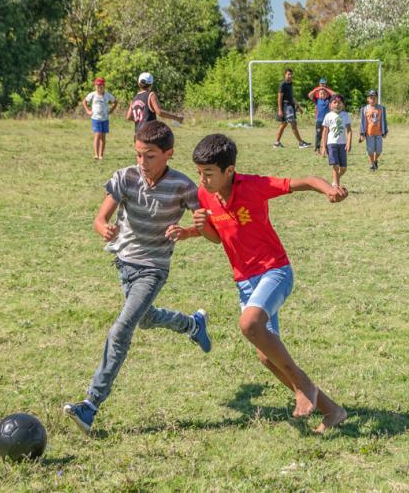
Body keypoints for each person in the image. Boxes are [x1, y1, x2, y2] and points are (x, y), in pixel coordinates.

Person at [173, 133, 348, 433]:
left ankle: (303, 387)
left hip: (275, 271)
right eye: (199, 173)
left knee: (249, 325)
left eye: (209, 174)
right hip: (244, 281)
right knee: (267, 356)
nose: (202, 180)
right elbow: (217, 238)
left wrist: (329, 190)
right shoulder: (205, 196)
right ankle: (332, 410)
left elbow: (302, 181)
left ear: (230, 171)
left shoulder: (252, 186)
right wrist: (196, 230)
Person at [63, 121, 211, 435]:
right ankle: (192, 324)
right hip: (124, 262)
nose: (143, 162)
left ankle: (90, 405)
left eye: (151, 156)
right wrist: (103, 227)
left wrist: (186, 232)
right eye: (139, 154)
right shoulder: (125, 177)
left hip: (154, 267)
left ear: (169, 154)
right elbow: (100, 217)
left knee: (122, 328)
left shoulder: (184, 186)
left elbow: (209, 227)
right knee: (145, 318)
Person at [274, 68, 310, 149]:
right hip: (286, 107)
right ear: (285, 75)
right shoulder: (282, 84)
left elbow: (292, 97)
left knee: (283, 124)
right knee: (293, 124)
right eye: (288, 74)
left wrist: (298, 107)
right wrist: (280, 110)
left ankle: (277, 143)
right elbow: (279, 97)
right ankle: (301, 143)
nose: (290, 76)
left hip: (290, 106)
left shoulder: (290, 84)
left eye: (291, 74)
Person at [320, 95, 352, 188]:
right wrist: (323, 146)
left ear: (343, 104)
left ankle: (335, 179)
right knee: (335, 165)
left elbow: (349, 130)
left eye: (339, 102)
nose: (337, 104)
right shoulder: (328, 116)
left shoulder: (345, 115)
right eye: (335, 102)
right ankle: (336, 186)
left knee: (343, 168)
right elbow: (325, 131)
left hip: (342, 144)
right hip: (332, 144)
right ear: (330, 105)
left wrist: (349, 143)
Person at [82, 77, 117, 160]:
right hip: (95, 118)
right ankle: (96, 155)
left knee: (103, 137)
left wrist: (111, 110)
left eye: (101, 86)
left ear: (104, 86)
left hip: (105, 118)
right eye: (97, 86)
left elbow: (115, 102)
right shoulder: (92, 94)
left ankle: (101, 155)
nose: (99, 88)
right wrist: (88, 110)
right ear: (95, 86)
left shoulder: (107, 95)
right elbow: (84, 101)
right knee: (97, 135)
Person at [358, 89, 388, 171]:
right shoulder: (364, 109)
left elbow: (384, 120)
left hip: (378, 133)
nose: (373, 99)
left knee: (379, 150)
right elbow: (362, 122)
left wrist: (385, 131)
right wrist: (362, 134)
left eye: (374, 97)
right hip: (369, 133)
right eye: (371, 97)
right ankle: (372, 165)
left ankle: (375, 160)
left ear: (377, 98)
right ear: (368, 99)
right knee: (370, 151)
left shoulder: (381, 108)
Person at [307, 77, 337, 154]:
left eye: (324, 94)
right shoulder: (317, 100)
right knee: (318, 134)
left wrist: (325, 89)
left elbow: (335, 94)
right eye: (321, 93)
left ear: (326, 94)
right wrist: (317, 89)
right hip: (319, 120)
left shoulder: (328, 100)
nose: (322, 95)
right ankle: (317, 148)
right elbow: (309, 95)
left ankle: (326, 148)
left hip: (327, 121)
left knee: (327, 134)